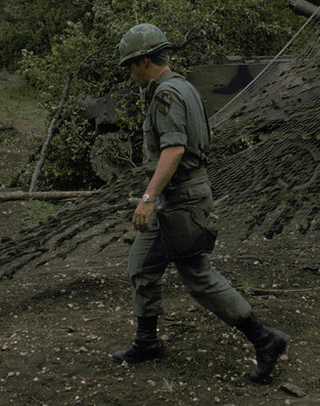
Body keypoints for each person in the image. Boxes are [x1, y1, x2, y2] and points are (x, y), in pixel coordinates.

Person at [111, 23, 289, 382]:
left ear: (145, 61)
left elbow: (174, 149)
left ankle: (265, 338)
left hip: (181, 201)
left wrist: (148, 198)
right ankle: (146, 341)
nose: (129, 71)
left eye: (130, 64)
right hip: (178, 200)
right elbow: (205, 134)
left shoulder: (165, 94)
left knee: (197, 276)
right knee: (141, 267)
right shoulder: (184, 87)